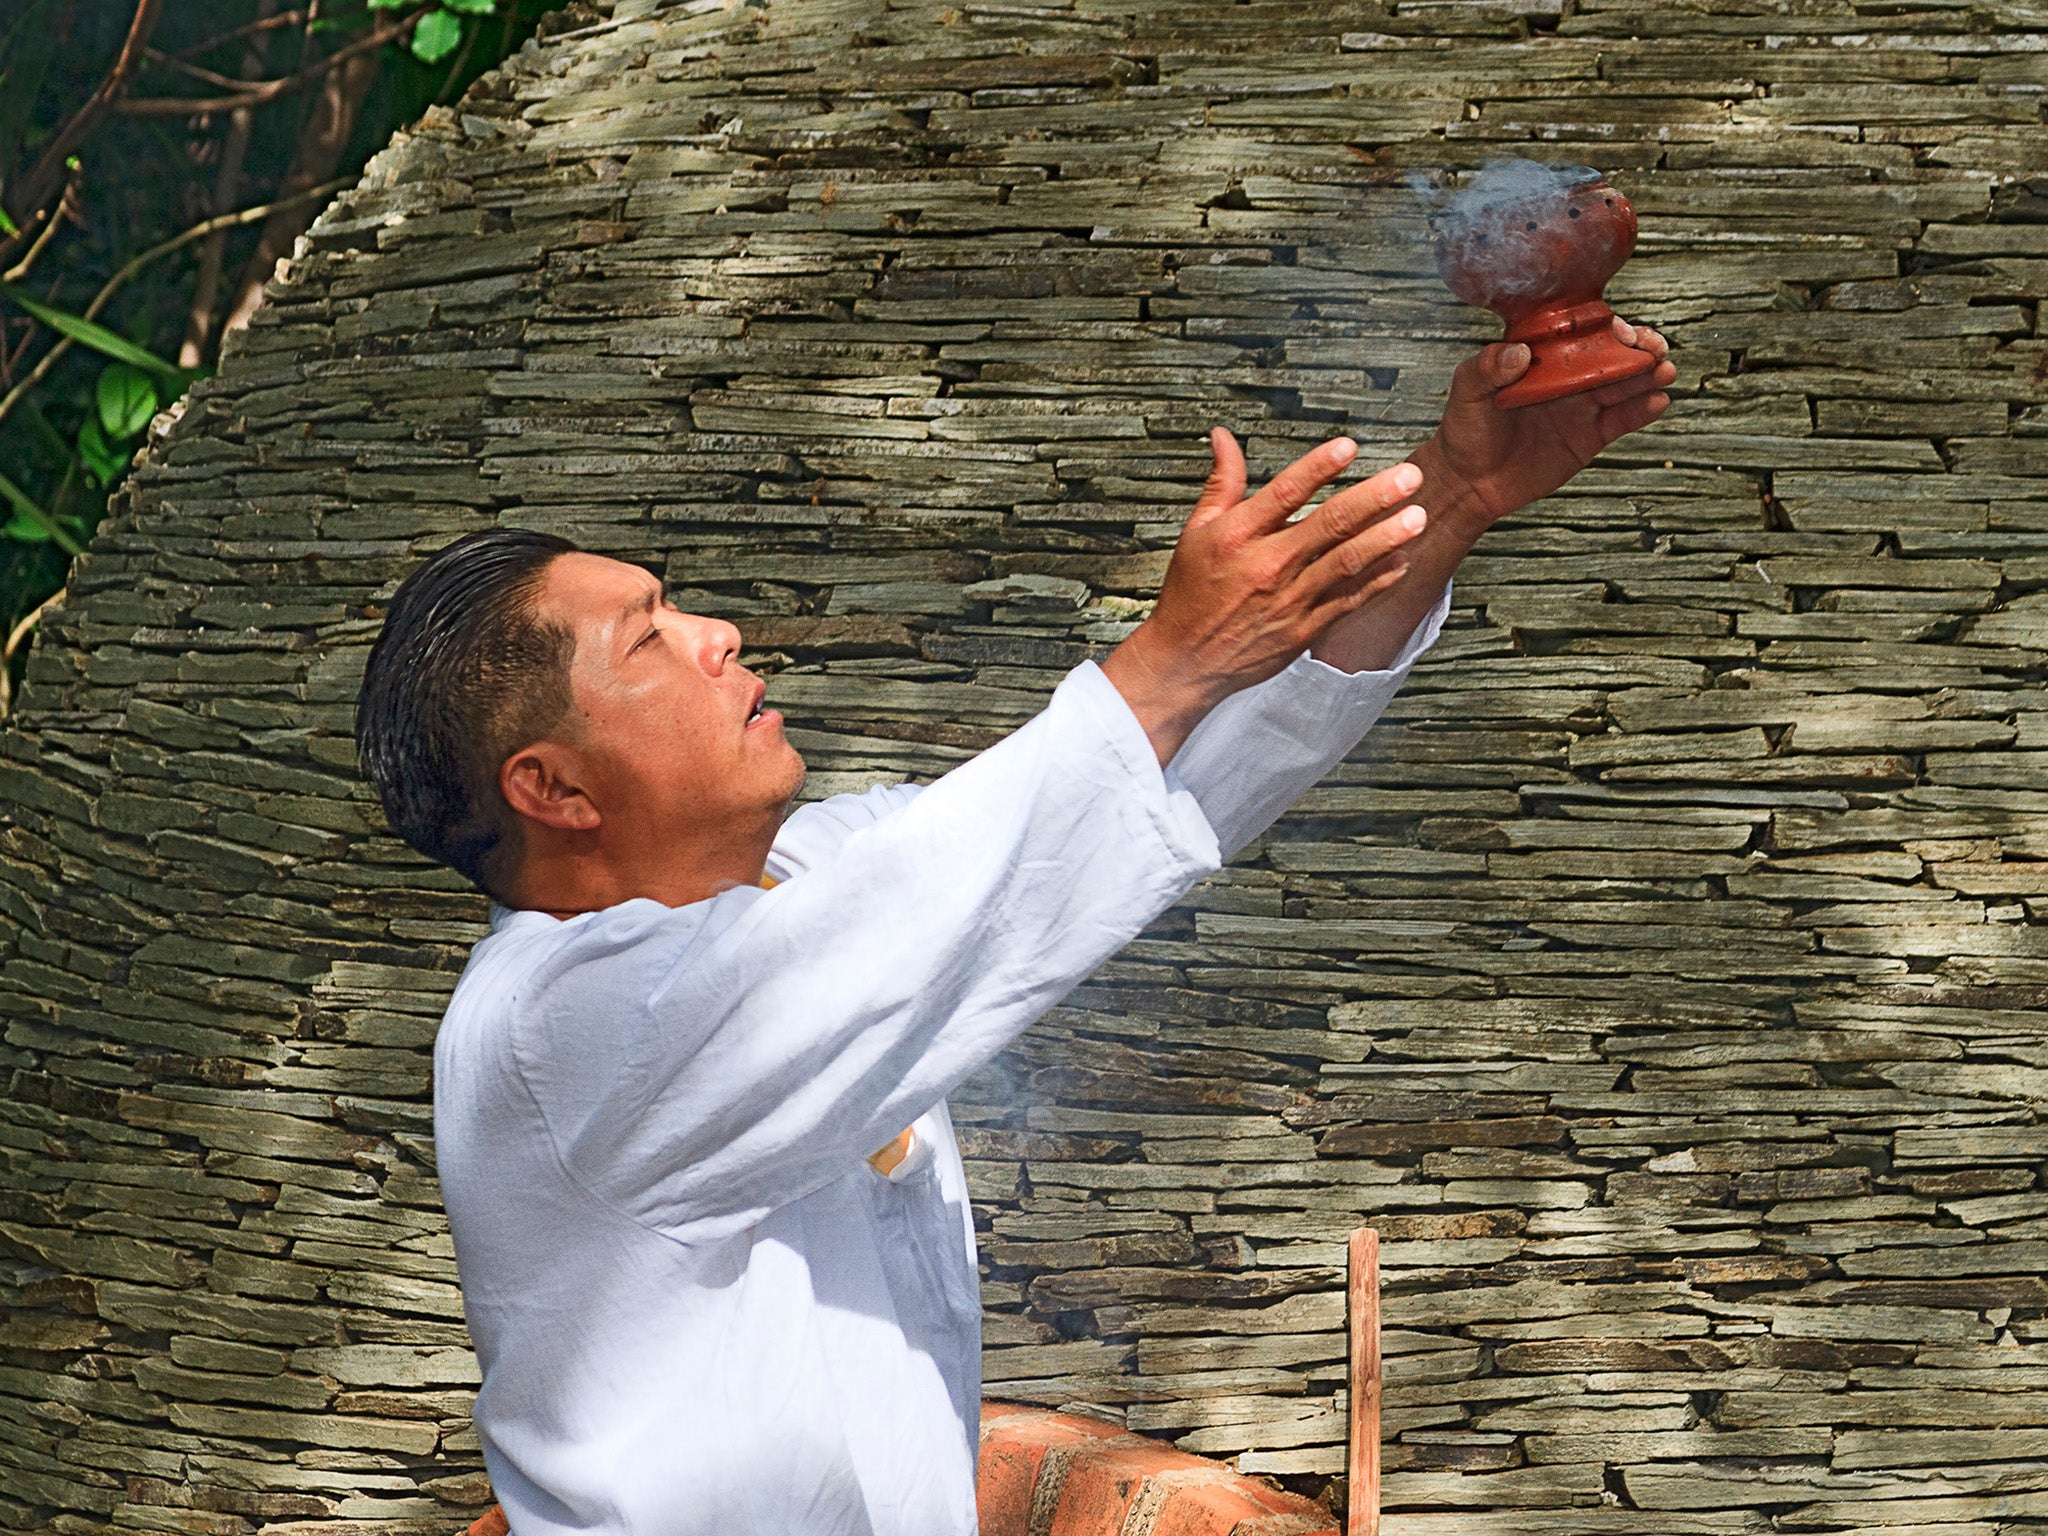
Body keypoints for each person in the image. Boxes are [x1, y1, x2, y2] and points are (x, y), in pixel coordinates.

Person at [354, 324, 1673, 1536]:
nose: (717, 633)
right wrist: (1164, 657)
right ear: (555, 790)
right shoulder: (555, 1031)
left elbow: (1151, 785)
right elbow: (970, 882)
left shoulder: (818, 876)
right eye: (649, 641)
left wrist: (1452, 491)